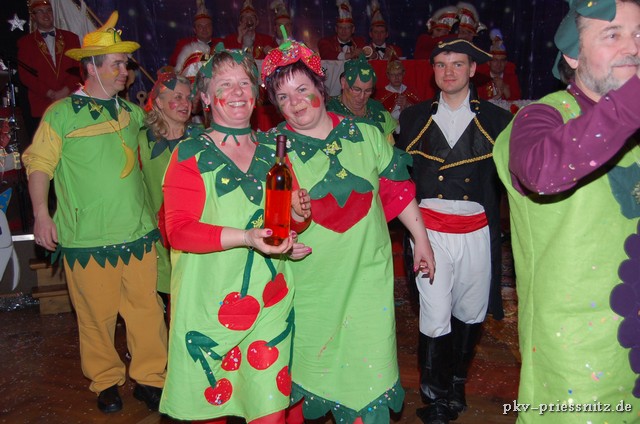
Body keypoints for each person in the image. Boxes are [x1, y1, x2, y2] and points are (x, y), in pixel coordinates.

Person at [260, 38, 435, 424]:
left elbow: (397, 191)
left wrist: (421, 240)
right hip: (308, 289)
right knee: (301, 375)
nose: (296, 102)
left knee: (368, 374)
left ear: (320, 87)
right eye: (284, 97)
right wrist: (285, 234)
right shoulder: (271, 149)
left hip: (367, 284)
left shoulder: (366, 134)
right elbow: (261, 220)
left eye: (302, 89)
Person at [493, 0, 640, 422]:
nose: (632, 47)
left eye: (638, 35)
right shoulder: (541, 117)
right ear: (573, 55)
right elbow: (540, 170)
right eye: (612, 35)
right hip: (576, 360)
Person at [21, 11, 168, 414]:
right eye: (116, 64)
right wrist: (41, 213)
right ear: (91, 68)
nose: (125, 71)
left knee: (147, 312)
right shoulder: (61, 114)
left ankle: (151, 378)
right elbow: (39, 166)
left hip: (137, 235)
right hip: (86, 239)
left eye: (125, 64)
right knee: (95, 318)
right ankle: (105, 381)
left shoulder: (132, 114)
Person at [158, 43, 311, 423]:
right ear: (206, 97)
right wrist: (245, 237)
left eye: (244, 82)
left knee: (269, 408)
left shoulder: (274, 150)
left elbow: (286, 221)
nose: (238, 92)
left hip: (269, 301)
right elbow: (179, 232)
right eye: (225, 84)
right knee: (209, 408)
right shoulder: (189, 153)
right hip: (208, 307)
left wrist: (298, 215)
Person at [397, 38, 512, 424]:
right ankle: (435, 399)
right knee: (434, 314)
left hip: (476, 233)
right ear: (433, 71)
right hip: (429, 235)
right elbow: (399, 180)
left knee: (470, 312)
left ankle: (456, 381)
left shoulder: (497, 121)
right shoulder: (413, 118)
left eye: (458, 64)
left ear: (473, 69)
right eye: (441, 64)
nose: (449, 72)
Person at [139, 69, 193, 313]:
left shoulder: (200, 141)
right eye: (177, 97)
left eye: (188, 97)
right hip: (156, 238)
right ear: (159, 103)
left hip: (192, 233)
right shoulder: (141, 142)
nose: (185, 103)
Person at [17, 0, 81, 138]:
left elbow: (78, 68)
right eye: (40, 11)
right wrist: (50, 93)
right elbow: (26, 76)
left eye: (48, 10)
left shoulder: (72, 38)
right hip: (42, 105)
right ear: (33, 16)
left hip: (70, 101)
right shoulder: (25, 43)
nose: (45, 15)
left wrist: (66, 90)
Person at [326, 54, 397, 143]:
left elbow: (389, 148)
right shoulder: (329, 111)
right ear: (343, 83)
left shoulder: (379, 113)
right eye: (356, 89)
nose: (362, 97)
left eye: (368, 91)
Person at [376, 60, 422, 136]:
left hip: (410, 133)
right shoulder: (380, 95)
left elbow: (420, 114)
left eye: (399, 74)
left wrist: (408, 105)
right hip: (390, 134)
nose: (396, 77)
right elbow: (380, 119)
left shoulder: (411, 92)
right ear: (388, 76)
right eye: (393, 75)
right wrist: (400, 112)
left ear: (403, 74)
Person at [475, 32, 522, 101]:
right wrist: (498, 95)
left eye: (502, 60)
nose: (499, 64)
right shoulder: (480, 78)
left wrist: (506, 89)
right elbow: (478, 103)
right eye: (495, 60)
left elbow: (518, 104)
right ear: (488, 62)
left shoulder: (512, 78)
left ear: (506, 63)